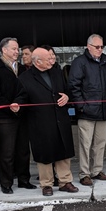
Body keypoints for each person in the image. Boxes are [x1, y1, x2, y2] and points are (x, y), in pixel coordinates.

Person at [10, 46, 78, 196]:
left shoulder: (57, 72)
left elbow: (68, 91)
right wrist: (17, 106)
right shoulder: (24, 78)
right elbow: (21, 98)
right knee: (44, 154)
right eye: (48, 59)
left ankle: (65, 181)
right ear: (38, 61)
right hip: (40, 122)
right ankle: (46, 184)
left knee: (63, 151)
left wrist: (67, 97)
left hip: (60, 118)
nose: (51, 61)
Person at [68, 34, 106, 186]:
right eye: (97, 47)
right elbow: (73, 86)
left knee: (100, 143)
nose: (100, 49)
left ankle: (96, 171)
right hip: (86, 112)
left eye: (102, 46)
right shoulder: (80, 62)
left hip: (103, 110)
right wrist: (81, 106)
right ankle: (84, 174)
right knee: (85, 144)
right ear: (88, 46)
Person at [0, 37, 36, 194]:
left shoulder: (22, 69)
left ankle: (23, 180)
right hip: (4, 116)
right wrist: (9, 106)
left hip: (22, 114)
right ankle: (6, 183)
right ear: (4, 50)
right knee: (6, 152)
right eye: (14, 49)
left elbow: (26, 91)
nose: (17, 52)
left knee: (23, 150)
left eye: (18, 49)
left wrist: (18, 104)